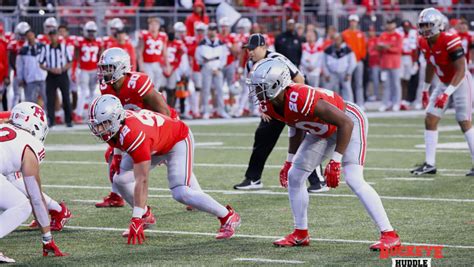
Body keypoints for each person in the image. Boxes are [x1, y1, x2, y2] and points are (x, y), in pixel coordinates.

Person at [248, 58, 401, 250]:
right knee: (294, 176)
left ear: (276, 84)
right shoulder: (270, 104)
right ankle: (300, 233)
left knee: (353, 178)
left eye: (260, 86)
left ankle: (389, 234)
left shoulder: (300, 96)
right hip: (320, 131)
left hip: (348, 120)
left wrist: (336, 160)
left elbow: (345, 123)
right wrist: (289, 160)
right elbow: (294, 126)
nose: (256, 91)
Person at [88, 94, 241, 244]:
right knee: (120, 179)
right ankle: (146, 216)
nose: (99, 129)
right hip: (155, 143)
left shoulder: (133, 134)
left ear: (115, 119)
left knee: (181, 192)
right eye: (97, 125)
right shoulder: (118, 124)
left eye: (103, 124)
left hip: (176, 141)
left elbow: (142, 180)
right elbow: (116, 138)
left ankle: (228, 216)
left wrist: (135, 218)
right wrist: (117, 156)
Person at [233, 34, 327, 193]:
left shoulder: (278, 58)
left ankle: (318, 180)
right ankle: (253, 178)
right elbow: (258, 88)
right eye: (248, 49)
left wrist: (298, 104)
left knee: (303, 140)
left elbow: (300, 79)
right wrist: (263, 106)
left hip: (293, 102)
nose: (250, 52)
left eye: (252, 48)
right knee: (262, 137)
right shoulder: (251, 65)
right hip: (274, 105)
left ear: (264, 47)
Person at [95, 47, 172, 209]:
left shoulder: (137, 81)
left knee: (171, 158)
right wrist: (116, 152)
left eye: (109, 68)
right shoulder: (106, 87)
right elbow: (113, 123)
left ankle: (192, 190)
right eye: (103, 69)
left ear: (121, 67)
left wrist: (162, 139)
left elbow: (163, 110)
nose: (104, 73)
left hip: (160, 122)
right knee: (111, 155)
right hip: (135, 127)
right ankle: (116, 195)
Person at [411, 8, 474, 176]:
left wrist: (446, 93)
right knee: (430, 118)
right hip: (444, 81)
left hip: (461, 80)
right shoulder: (423, 41)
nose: (424, 29)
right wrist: (425, 89)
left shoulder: (450, 39)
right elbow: (431, 64)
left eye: (428, 25)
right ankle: (430, 164)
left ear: (438, 24)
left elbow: (461, 69)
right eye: (422, 25)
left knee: (464, 120)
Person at [0, 102, 67, 257]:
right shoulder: (31, 144)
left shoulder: (3, 127)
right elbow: (36, 198)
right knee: (22, 206)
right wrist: (47, 239)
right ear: (36, 125)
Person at [195, 22, 229, 119]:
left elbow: (224, 58)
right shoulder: (202, 43)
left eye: (213, 30)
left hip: (218, 68)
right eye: (210, 29)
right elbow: (198, 58)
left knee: (219, 90)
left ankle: (221, 110)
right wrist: (205, 65)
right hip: (207, 67)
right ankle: (206, 111)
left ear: (216, 31)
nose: (212, 32)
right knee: (206, 90)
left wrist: (219, 67)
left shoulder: (221, 44)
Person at [39, 29, 73, 128]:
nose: (53, 37)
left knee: (66, 97)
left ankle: (68, 120)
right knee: (50, 99)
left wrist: (62, 69)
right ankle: (51, 120)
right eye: (51, 36)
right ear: (49, 37)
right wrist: (50, 69)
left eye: (55, 35)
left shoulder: (64, 47)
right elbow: (41, 64)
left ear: (58, 36)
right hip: (51, 75)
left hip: (62, 75)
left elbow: (70, 62)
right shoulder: (45, 48)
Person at [74, 21, 102, 122]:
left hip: (94, 70)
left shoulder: (98, 42)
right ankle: (78, 113)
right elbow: (75, 58)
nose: (91, 34)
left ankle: (90, 114)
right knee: (83, 92)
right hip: (83, 70)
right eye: (89, 31)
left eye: (93, 31)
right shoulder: (80, 42)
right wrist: (74, 71)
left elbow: (101, 58)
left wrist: (101, 72)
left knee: (93, 93)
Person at [137, 17, 170, 90]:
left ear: (159, 26)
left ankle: (155, 100)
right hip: (147, 63)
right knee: (149, 84)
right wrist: (141, 65)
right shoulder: (144, 35)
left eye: (156, 24)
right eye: (152, 24)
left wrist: (167, 65)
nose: (154, 26)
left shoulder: (163, 36)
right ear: (149, 25)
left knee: (158, 84)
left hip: (158, 63)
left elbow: (164, 52)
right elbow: (139, 51)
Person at [377, 19, 403, 112]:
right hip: (384, 63)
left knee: (396, 84)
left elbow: (398, 49)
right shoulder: (383, 35)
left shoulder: (398, 36)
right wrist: (388, 47)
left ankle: (396, 103)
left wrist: (387, 47)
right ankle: (385, 103)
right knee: (386, 85)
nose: (389, 25)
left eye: (391, 23)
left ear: (394, 25)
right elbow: (378, 46)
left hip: (395, 64)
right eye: (388, 23)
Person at [16, 29, 47, 105]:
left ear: (34, 35)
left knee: (47, 99)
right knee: (30, 101)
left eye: (31, 35)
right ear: (26, 37)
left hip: (43, 77)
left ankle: (47, 116)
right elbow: (20, 65)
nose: (30, 37)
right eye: (28, 36)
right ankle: (31, 116)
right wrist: (20, 78)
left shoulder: (42, 46)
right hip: (30, 78)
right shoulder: (23, 50)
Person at [342, 14, 367, 110]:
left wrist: (362, 56)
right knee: (347, 83)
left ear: (357, 22)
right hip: (348, 62)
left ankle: (360, 103)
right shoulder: (345, 34)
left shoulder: (360, 34)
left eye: (354, 21)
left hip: (358, 60)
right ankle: (349, 103)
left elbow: (364, 47)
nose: (353, 23)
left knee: (359, 83)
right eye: (351, 21)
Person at [322, 33, 357, 101]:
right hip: (331, 73)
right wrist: (326, 74)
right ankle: (327, 104)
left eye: (338, 39)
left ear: (342, 40)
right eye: (335, 39)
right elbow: (323, 63)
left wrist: (348, 73)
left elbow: (353, 62)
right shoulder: (328, 50)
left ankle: (349, 105)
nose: (336, 41)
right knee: (327, 90)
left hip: (344, 73)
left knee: (347, 90)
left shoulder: (348, 49)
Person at [367, 25, 381, 101]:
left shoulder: (377, 39)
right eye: (369, 31)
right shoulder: (367, 40)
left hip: (377, 63)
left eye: (372, 31)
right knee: (371, 80)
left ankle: (376, 95)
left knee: (376, 80)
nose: (371, 32)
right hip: (370, 63)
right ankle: (372, 95)